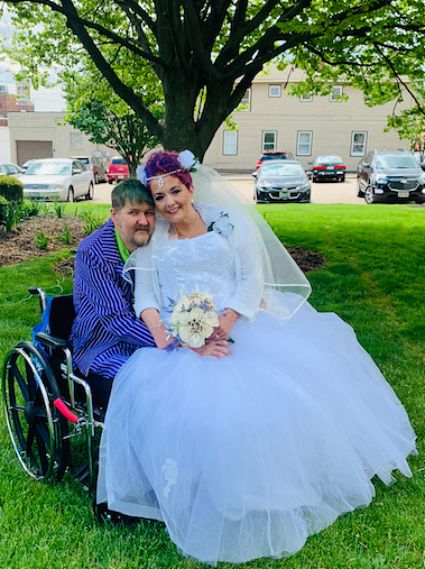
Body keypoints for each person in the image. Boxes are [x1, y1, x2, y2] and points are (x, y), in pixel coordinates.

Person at [97, 151, 416, 564]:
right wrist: (173, 335)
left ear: (190, 187)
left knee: (272, 401)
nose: (169, 203)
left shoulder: (227, 224)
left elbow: (252, 279)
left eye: (175, 191)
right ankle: (204, 491)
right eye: (159, 197)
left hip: (242, 323)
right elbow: (147, 297)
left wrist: (223, 325)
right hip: (182, 339)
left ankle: (271, 487)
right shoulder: (156, 237)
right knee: (191, 410)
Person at [70, 178, 157, 408]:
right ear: (114, 214)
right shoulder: (93, 252)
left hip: (147, 336)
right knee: (147, 382)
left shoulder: (155, 244)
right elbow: (116, 320)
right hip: (102, 343)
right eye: (134, 212)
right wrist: (167, 342)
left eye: (149, 213)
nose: (143, 221)